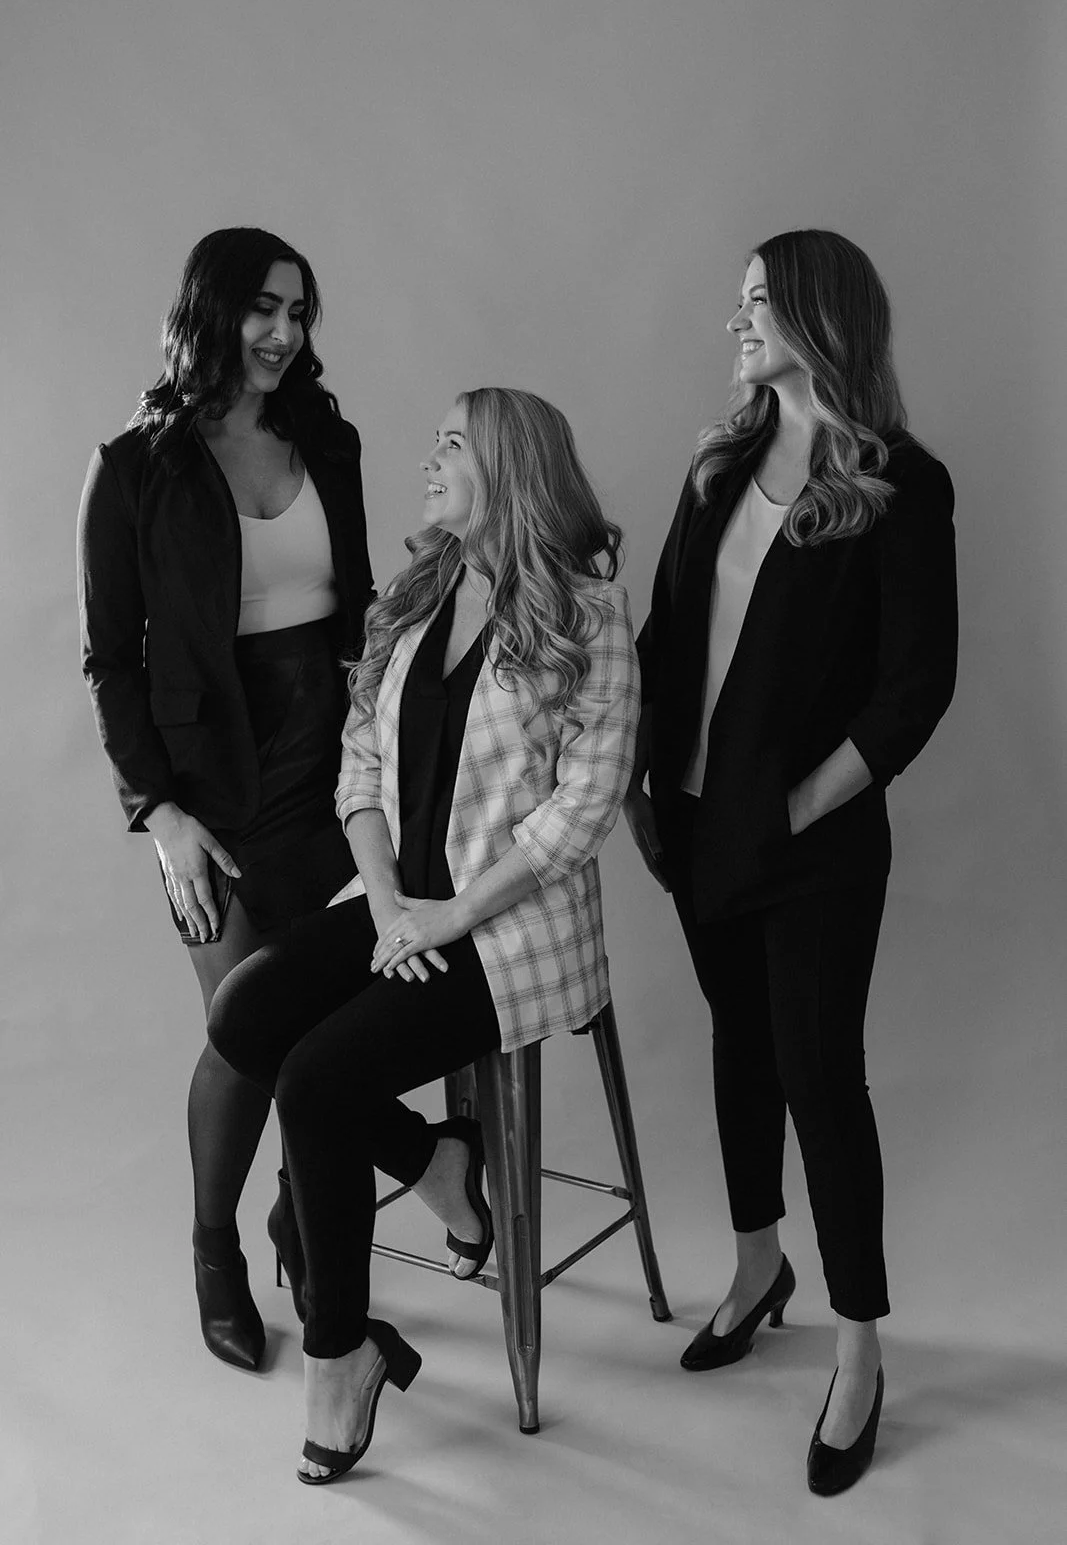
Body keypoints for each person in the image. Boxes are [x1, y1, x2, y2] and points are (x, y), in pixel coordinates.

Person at [207, 387, 638, 1483]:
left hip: (506, 927)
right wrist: (391, 903)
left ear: (508, 465)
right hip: (399, 902)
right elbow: (360, 769)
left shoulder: (586, 611)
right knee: (245, 1011)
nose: (428, 460)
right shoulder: (418, 591)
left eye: (451, 443)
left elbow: (583, 807)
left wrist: (448, 913)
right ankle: (434, 1159)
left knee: (316, 1079)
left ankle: (340, 1358)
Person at [625, 229, 957, 1495]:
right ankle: (758, 1262)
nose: (735, 323)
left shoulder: (896, 482)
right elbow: (667, 632)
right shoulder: (717, 465)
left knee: (822, 1077)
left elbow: (916, 681)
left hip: (812, 843)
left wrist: (807, 805)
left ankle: (861, 1347)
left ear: (818, 317)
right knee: (737, 1048)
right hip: (696, 828)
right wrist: (641, 793)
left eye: (756, 301)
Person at [77, 227, 375, 1372]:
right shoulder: (135, 466)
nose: (283, 333)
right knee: (249, 1025)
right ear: (210, 310)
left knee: (333, 1022)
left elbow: (353, 611)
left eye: (299, 312)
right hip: (211, 788)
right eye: (262, 308)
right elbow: (111, 661)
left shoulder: (325, 439)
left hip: (334, 772)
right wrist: (161, 820)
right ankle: (215, 1250)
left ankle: (301, 1218)